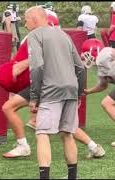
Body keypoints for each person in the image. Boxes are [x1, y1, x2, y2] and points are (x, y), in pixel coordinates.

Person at [0, 12, 105, 160]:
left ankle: (23, 146)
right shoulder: (57, 38)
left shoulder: (4, 70)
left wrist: (36, 61)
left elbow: (21, 66)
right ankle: (94, 147)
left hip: (43, 83)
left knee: (8, 107)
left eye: (27, 20)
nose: (25, 23)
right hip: (52, 83)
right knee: (64, 124)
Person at [25, 6, 84, 179]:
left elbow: (37, 66)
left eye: (26, 19)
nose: (24, 22)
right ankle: (72, 176)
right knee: (67, 134)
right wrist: (79, 92)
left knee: (42, 133)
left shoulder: (34, 36)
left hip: (51, 91)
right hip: (71, 89)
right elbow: (80, 67)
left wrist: (34, 96)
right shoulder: (64, 35)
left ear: (35, 19)